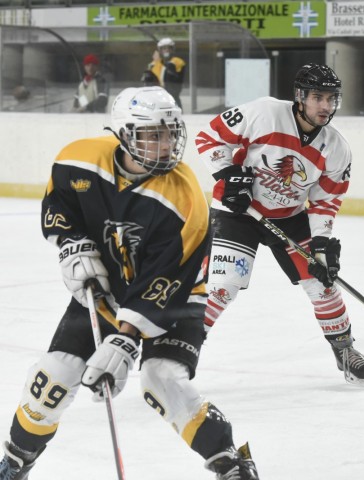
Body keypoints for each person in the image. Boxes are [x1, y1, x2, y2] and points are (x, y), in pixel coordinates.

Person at [0, 86, 259, 480]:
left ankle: (231, 463)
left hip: (177, 297)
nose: (166, 144)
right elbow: (59, 205)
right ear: (123, 134)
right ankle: (16, 463)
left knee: (161, 381)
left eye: (170, 132)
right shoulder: (79, 160)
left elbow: (165, 280)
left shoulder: (186, 200)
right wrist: (71, 244)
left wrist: (124, 339)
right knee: (53, 376)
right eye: (152, 134)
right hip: (106, 293)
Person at [196, 63, 364, 388]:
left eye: (331, 98)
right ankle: (183, 350)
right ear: (300, 96)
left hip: (290, 218)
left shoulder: (336, 148)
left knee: (322, 285)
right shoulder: (264, 113)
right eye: (318, 97)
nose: (326, 106)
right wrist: (226, 174)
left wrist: (321, 243)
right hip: (238, 212)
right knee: (223, 288)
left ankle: (345, 351)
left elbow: (325, 201)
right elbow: (209, 137)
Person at [148, 37, 185, 108]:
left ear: (172, 49)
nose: (166, 50)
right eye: (164, 48)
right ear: (160, 50)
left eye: (169, 48)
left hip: (173, 97)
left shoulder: (177, 61)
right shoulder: (155, 64)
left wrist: (161, 62)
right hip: (158, 98)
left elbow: (171, 76)